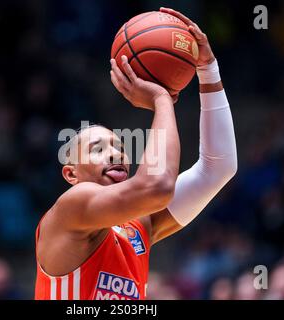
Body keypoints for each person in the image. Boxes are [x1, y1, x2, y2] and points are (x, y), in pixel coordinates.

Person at [34, 7, 237, 300]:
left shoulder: (139, 225)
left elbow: (218, 169)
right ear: (71, 173)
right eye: (98, 149)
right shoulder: (71, 208)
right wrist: (161, 99)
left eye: (119, 147)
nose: (116, 154)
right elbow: (158, 186)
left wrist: (208, 69)